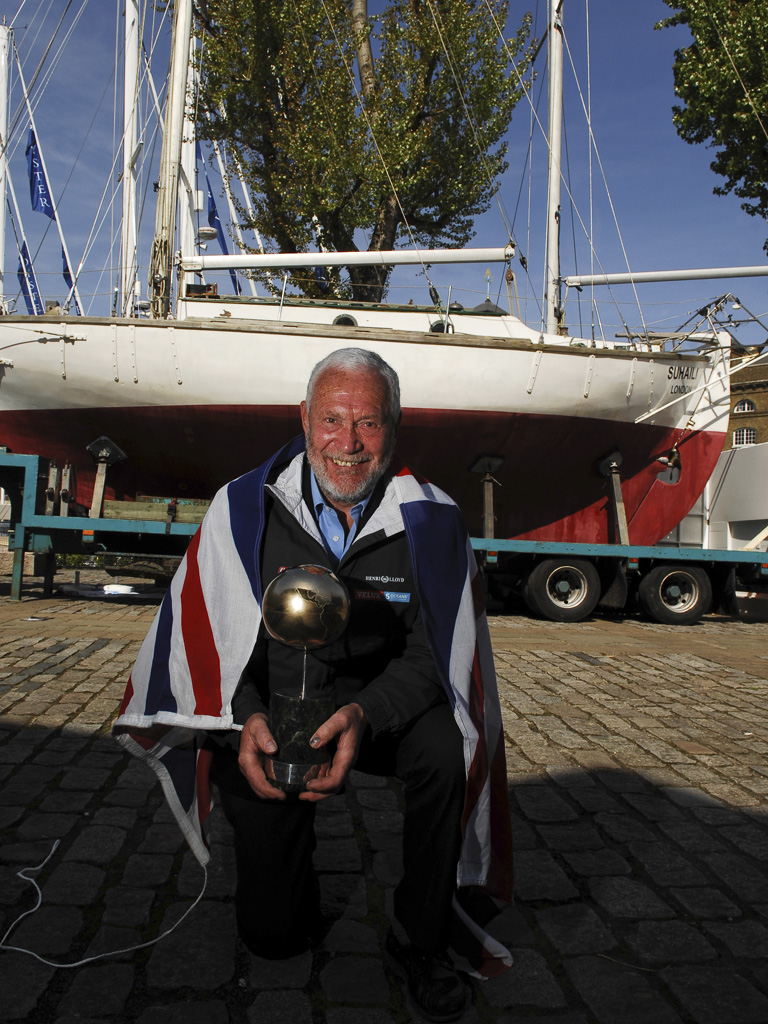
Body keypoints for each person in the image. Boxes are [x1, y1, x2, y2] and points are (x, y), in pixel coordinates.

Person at [114, 347, 513, 1023]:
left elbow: (435, 655)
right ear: (303, 418)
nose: (349, 443)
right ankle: (286, 893)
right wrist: (244, 719)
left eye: (368, 423)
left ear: (394, 426)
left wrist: (365, 712)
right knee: (272, 940)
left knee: (448, 747)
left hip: (375, 706)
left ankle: (421, 936)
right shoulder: (242, 509)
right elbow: (212, 642)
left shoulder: (434, 520)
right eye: (332, 419)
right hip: (270, 712)